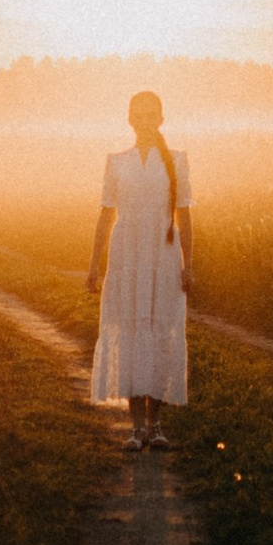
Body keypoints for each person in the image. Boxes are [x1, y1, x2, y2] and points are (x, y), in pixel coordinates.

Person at [87, 90, 192, 450]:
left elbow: (185, 216)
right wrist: (93, 266)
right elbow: (105, 215)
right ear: (130, 120)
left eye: (152, 115)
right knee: (131, 328)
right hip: (127, 255)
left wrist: (188, 265)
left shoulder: (176, 161)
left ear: (161, 119)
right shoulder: (117, 162)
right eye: (139, 115)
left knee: (160, 329)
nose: (145, 121)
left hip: (163, 254)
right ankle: (135, 428)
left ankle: (156, 423)